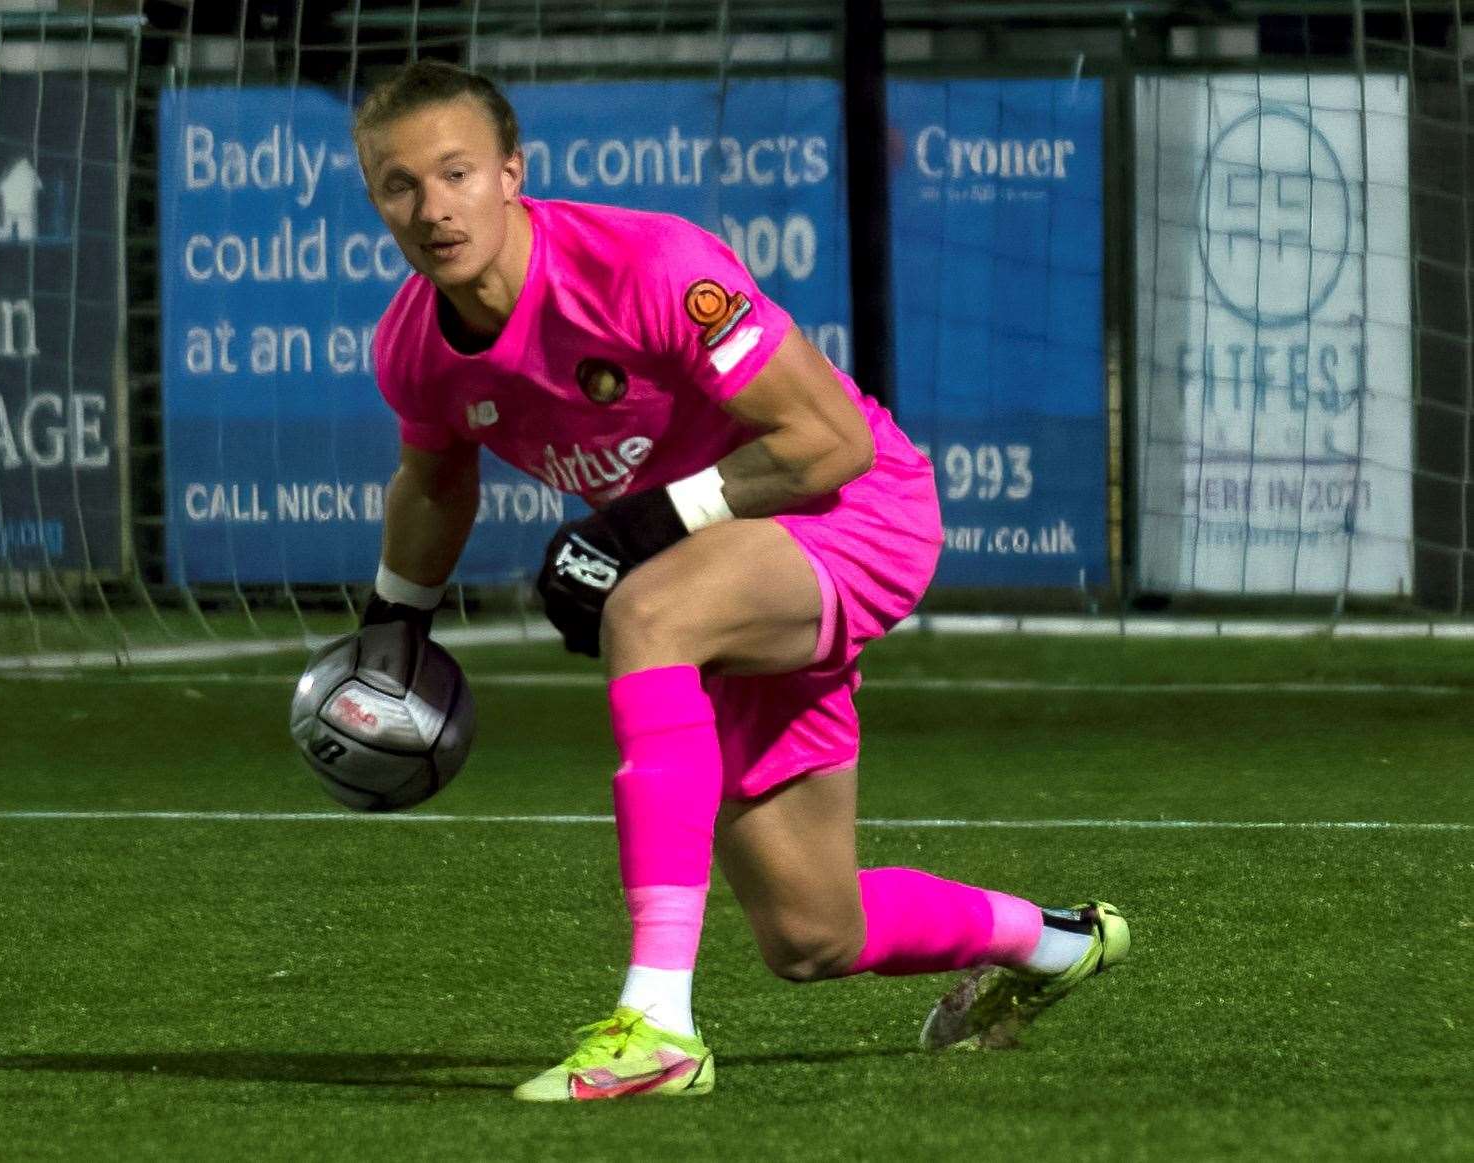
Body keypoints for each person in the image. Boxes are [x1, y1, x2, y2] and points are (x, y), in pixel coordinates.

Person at [351, 60, 1129, 1102]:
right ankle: (1055, 942)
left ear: (510, 174)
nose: (432, 207)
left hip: (850, 512)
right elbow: (434, 480)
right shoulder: (414, 348)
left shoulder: (648, 264)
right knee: (811, 931)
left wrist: (636, 524)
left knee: (647, 611)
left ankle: (658, 1027)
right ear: (375, 200)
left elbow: (830, 442)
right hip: (729, 563)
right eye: (401, 185)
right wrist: (392, 622)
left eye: (455, 173)